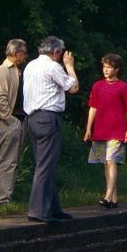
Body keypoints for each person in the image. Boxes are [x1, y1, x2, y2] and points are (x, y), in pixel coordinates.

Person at [23, 36, 79, 223]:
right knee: (46, 165)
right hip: (48, 118)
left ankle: (53, 207)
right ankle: (38, 210)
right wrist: (69, 66)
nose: (62, 56)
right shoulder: (53, 66)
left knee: (46, 163)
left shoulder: (30, 65)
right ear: (56, 52)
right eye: (61, 53)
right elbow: (73, 88)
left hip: (32, 118)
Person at [83, 53, 127, 209]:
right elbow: (93, 107)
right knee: (105, 163)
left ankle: (107, 196)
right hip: (101, 130)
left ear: (117, 69)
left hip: (117, 130)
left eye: (109, 67)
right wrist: (88, 128)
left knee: (111, 161)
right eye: (104, 67)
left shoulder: (122, 86)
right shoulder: (97, 86)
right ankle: (113, 198)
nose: (105, 70)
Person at [0, 38, 28, 205]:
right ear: (16, 53)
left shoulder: (17, 70)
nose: (25, 56)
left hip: (17, 120)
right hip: (6, 122)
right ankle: (1, 198)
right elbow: (0, 98)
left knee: (13, 160)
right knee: (7, 160)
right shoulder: (2, 70)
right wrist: (10, 119)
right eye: (24, 53)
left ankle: (6, 195)